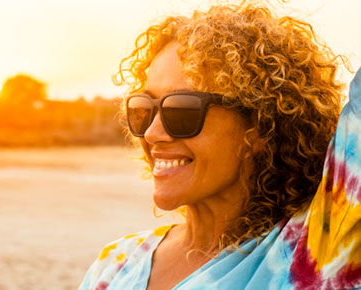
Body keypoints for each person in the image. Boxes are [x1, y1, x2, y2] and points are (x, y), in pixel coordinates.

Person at [79, 1, 361, 289]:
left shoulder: (316, 255)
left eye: (182, 110)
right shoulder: (116, 265)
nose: (152, 133)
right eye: (144, 108)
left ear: (260, 127)